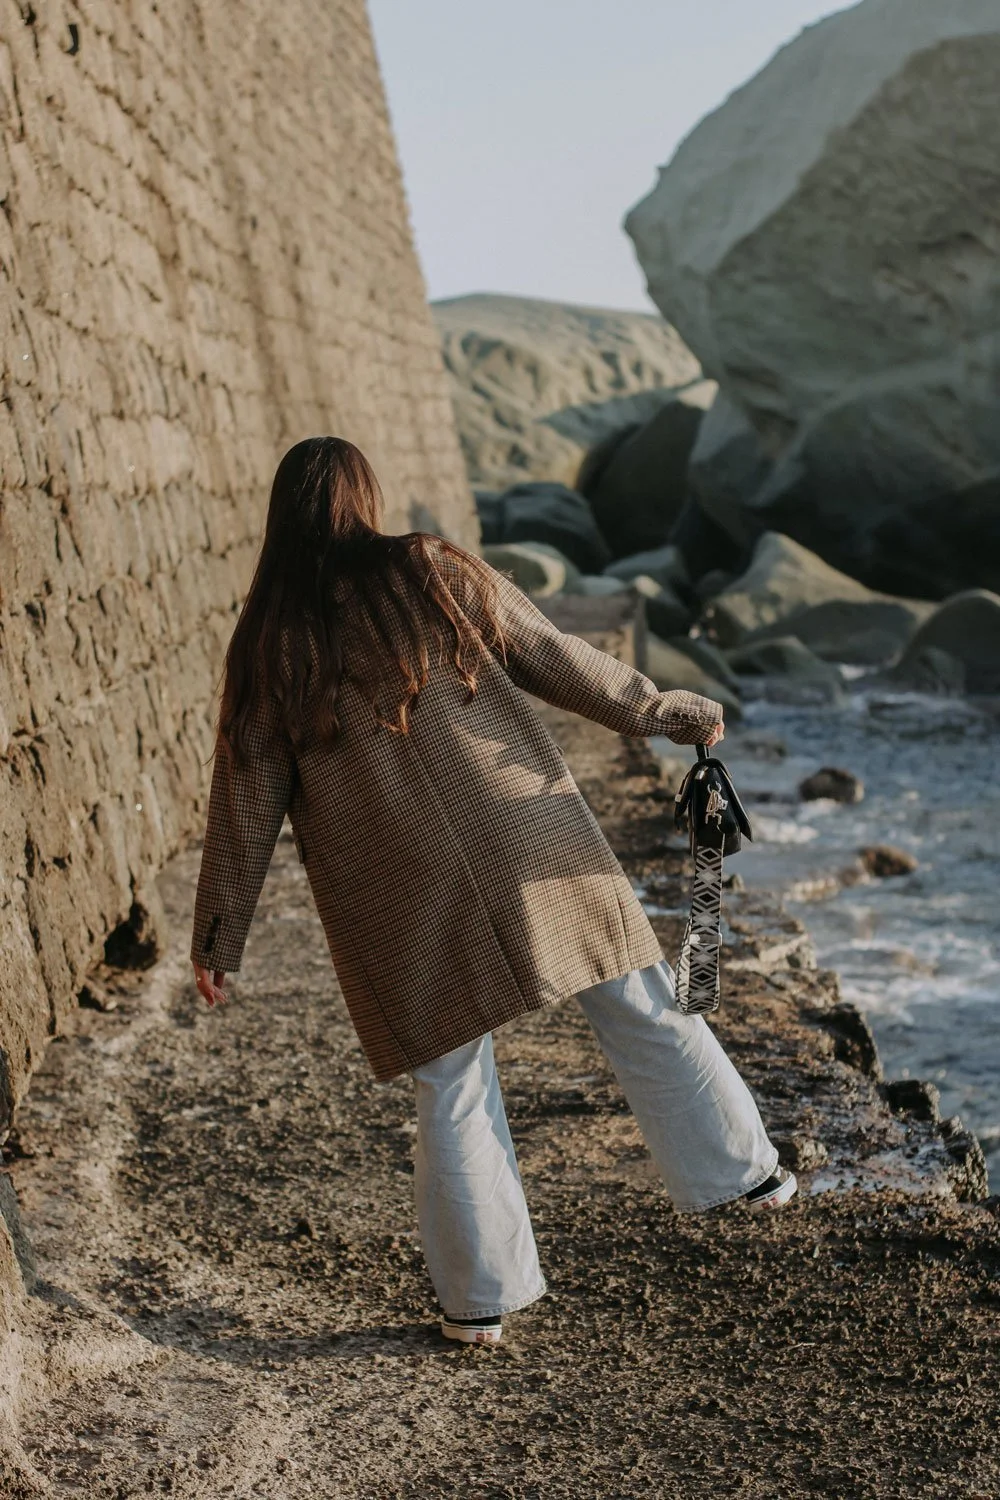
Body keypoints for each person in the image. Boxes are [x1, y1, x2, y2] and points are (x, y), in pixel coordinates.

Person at [190, 436, 796, 1348]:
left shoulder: (272, 638)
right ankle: (740, 1176)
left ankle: (482, 1300)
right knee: (637, 995)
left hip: (393, 877)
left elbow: (244, 798)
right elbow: (550, 654)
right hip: (518, 823)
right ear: (365, 496)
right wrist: (658, 709)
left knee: (449, 1077)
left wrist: (216, 938)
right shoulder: (429, 570)